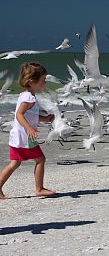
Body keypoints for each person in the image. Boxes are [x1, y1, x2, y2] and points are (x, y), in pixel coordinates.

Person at [0, 62, 55, 199]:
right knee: (41, 159)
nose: (44, 83)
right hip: (25, 138)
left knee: (15, 163)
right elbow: (20, 114)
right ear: (32, 82)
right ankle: (39, 189)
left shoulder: (25, 95)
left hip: (18, 137)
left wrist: (45, 119)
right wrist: (29, 127)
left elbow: (31, 116)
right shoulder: (29, 98)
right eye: (43, 81)